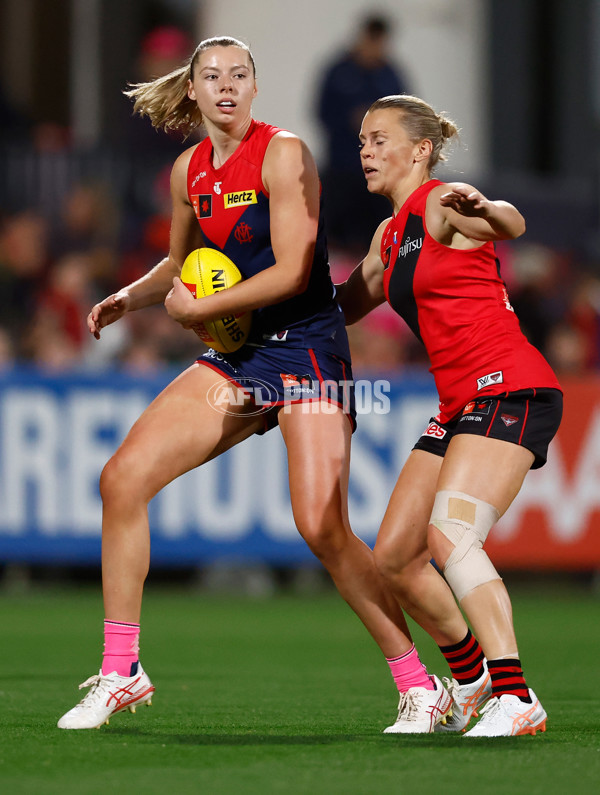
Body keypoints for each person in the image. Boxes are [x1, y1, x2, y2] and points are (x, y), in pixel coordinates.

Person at [57, 38, 456, 733]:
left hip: (306, 351)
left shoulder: (283, 153)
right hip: (240, 358)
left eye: (239, 75)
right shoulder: (190, 171)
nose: (226, 86)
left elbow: (297, 268)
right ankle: (121, 668)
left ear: (255, 86)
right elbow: (182, 264)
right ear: (193, 92)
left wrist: (196, 309)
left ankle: (422, 684)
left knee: (321, 526)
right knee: (122, 478)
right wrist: (133, 295)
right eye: (211, 77)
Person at [336, 94, 563, 737]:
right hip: (462, 402)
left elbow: (510, 223)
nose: (366, 151)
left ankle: (517, 699)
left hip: (509, 388)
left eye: (380, 139)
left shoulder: (442, 202)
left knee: (452, 535)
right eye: (361, 141)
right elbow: (345, 303)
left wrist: (486, 209)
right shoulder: (390, 234)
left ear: (421, 150)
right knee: (396, 557)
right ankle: (470, 681)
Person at [316, 15, 409, 253]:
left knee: (377, 233)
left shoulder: (390, 74)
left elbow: (407, 115)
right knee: (337, 233)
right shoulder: (338, 72)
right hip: (343, 167)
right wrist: (353, 120)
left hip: (381, 168)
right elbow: (322, 113)